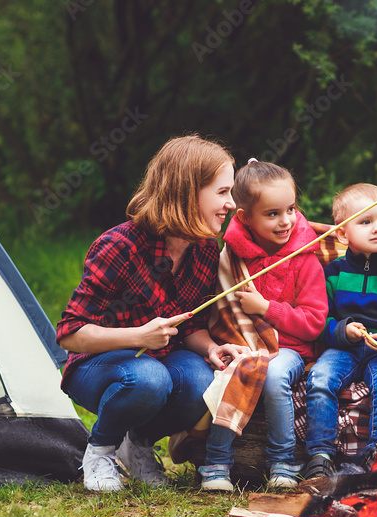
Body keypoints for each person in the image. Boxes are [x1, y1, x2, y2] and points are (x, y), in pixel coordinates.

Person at [57, 135, 249, 492]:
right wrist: (138, 336)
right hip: (97, 367)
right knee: (149, 378)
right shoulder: (120, 245)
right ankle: (99, 452)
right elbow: (69, 333)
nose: (231, 204)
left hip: (157, 362)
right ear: (188, 191)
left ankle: (138, 445)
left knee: (201, 382)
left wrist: (210, 349)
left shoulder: (205, 248)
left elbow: (189, 324)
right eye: (222, 193)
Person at [199, 159, 328, 491]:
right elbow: (222, 311)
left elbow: (314, 324)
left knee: (270, 373)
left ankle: (283, 460)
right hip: (245, 342)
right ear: (244, 218)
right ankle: (216, 463)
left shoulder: (304, 258)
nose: (285, 221)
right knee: (236, 370)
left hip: (291, 350)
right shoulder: (232, 258)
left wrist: (267, 308)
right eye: (272, 214)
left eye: (291, 209)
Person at [303, 184, 377, 478]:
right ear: (342, 234)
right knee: (320, 378)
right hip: (345, 347)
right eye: (365, 222)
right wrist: (342, 331)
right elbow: (318, 320)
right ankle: (320, 455)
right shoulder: (335, 273)